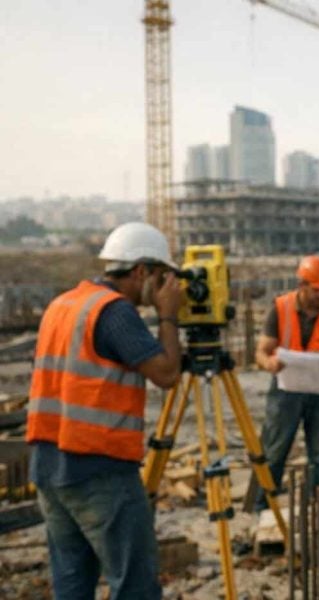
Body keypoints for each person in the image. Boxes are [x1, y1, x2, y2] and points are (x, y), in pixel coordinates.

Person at [26, 222, 182, 599]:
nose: (164, 286)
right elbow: (167, 373)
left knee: (72, 584)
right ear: (141, 271)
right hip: (99, 470)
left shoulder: (64, 303)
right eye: (161, 276)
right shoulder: (114, 313)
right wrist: (168, 316)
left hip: (49, 465)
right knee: (134, 586)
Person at [254, 255, 319, 509]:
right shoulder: (281, 308)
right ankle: (260, 505)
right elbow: (261, 352)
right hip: (286, 390)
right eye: (317, 290)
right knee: (274, 450)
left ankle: (316, 508)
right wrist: (269, 363)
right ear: (302, 285)